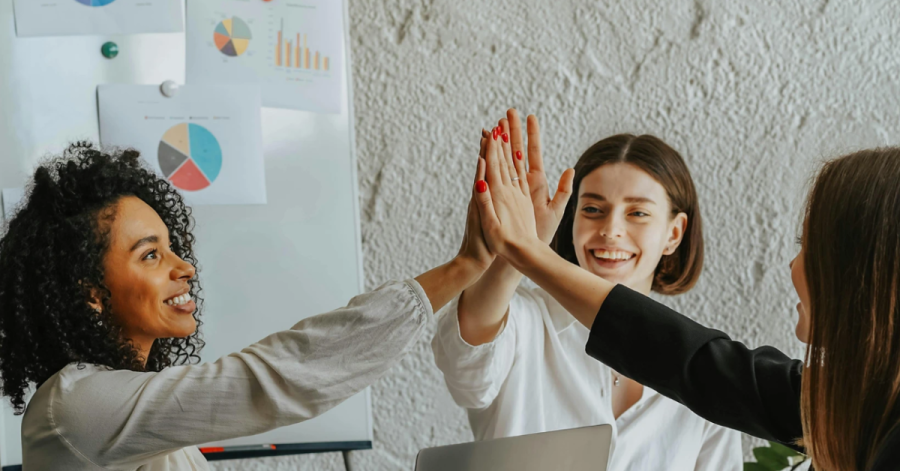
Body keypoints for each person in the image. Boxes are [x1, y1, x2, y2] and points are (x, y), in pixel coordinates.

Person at [0, 142, 495, 470]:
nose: (184, 267)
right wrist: (463, 266)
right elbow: (275, 377)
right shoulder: (75, 406)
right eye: (151, 254)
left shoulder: (140, 415)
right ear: (90, 291)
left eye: (173, 248)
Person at [471, 124, 900, 471]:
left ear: (867, 276)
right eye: (593, 208)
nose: (792, 266)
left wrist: (527, 251)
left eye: (809, 246)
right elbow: (695, 363)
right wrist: (522, 254)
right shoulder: (841, 398)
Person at [432, 110, 741, 470]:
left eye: (637, 213)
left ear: (673, 233)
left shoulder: (703, 365)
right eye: (593, 208)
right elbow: (464, 372)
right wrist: (517, 248)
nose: (610, 230)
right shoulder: (525, 322)